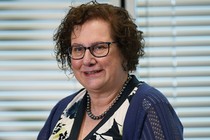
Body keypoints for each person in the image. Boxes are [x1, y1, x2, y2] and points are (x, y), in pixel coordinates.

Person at [37, 1, 183, 140]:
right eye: (78, 49)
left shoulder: (149, 107)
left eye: (99, 47)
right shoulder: (64, 109)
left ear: (124, 50)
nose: (87, 60)